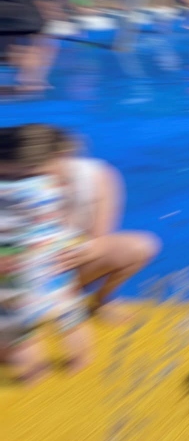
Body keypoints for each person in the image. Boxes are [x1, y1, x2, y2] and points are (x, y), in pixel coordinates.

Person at [0, 124, 93, 381]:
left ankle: (32, 371)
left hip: (15, 271)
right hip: (54, 263)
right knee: (68, 314)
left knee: (17, 329)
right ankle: (81, 358)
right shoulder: (49, 189)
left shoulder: (6, 191)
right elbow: (60, 224)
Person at [51, 129, 161, 321]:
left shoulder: (96, 175)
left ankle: (101, 299)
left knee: (140, 247)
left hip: (64, 265)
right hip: (21, 274)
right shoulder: (16, 185)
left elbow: (100, 240)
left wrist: (76, 254)